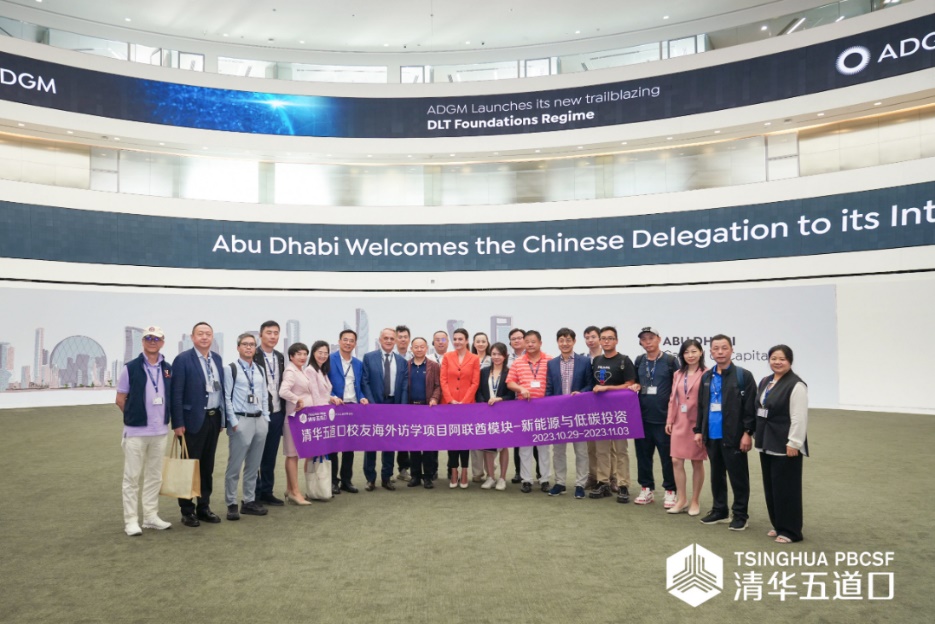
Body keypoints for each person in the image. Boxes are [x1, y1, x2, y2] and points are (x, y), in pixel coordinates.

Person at [694, 334, 757, 531]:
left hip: (734, 436)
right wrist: (699, 431)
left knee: (738, 477)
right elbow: (702, 406)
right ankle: (719, 510)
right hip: (712, 435)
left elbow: (750, 407)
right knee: (717, 475)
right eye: (716, 349)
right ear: (710, 352)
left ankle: (740, 515)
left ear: (731, 350)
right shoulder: (707, 377)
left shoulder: (743, 376)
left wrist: (747, 432)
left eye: (724, 348)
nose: (720, 352)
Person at [115, 325, 173, 536]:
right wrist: (135, 415)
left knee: (154, 476)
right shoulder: (130, 368)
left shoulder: (168, 369)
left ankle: (150, 516)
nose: (152, 342)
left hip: (160, 432)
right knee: (132, 477)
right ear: (143, 341)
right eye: (148, 338)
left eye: (156, 339)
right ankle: (131, 521)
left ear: (162, 342)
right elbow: (120, 399)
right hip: (136, 432)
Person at [170, 322, 227, 527]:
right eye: (200, 334)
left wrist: (222, 419)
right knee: (188, 467)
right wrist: (177, 423)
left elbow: (221, 391)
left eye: (208, 334)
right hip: (191, 421)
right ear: (192, 337)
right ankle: (187, 510)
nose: (204, 337)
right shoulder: (183, 359)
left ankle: (204, 507)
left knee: (207, 466)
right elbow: (176, 393)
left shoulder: (217, 359)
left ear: (212, 338)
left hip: (213, 419)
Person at [755, 345, 809, 543]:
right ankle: (778, 525)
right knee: (772, 487)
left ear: (790, 361)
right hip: (766, 442)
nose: (777, 362)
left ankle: (791, 531)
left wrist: (794, 442)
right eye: (773, 358)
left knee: (787, 489)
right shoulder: (766, 381)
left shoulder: (796, 385)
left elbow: (799, 417)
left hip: (785, 444)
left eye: (782, 359)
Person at [222, 333, 270, 521]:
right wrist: (233, 422)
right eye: (245, 344)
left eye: (251, 344)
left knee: (253, 465)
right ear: (238, 347)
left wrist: (266, 417)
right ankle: (231, 503)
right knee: (234, 466)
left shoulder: (260, 369)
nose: (249, 347)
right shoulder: (230, 369)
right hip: (241, 420)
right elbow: (226, 397)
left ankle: (249, 501)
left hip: (259, 420)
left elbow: (264, 395)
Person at [632, 327, 680, 508]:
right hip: (642, 418)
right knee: (643, 456)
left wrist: (673, 418)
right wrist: (635, 385)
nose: (647, 342)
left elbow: (678, 388)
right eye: (644, 339)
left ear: (659, 339)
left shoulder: (670, 361)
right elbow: (635, 382)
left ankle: (670, 491)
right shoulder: (639, 361)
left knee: (667, 458)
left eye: (651, 338)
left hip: (664, 420)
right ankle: (646, 488)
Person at [589, 326, 637, 503]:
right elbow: (593, 385)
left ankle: (623, 484)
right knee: (601, 450)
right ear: (600, 341)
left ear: (616, 340)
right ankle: (603, 482)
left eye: (610, 338)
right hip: (600, 412)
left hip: (619, 413)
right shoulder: (596, 360)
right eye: (603, 338)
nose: (606, 341)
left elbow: (630, 384)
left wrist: (607, 388)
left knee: (621, 450)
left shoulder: (624, 360)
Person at [545, 328, 594, 499]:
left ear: (574, 341)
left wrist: (581, 393)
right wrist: (551, 406)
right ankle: (560, 483)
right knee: (558, 451)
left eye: (568, 340)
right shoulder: (551, 363)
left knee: (581, 451)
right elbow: (549, 388)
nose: (564, 343)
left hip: (579, 414)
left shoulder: (585, 361)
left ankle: (580, 484)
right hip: (559, 415)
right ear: (557, 342)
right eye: (561, 340)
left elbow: (590, 385)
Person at [361, 328, 409, 491]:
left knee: (389, 443)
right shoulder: (369, 358)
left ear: (395, 341)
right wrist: (372, 405)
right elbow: (365, 382)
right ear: (380, 340)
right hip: (374, 405)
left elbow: (404, 386)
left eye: (391, 338)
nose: (388, 341)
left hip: (393, 406)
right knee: (371, 443)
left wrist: (402, 408)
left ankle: (386, 477)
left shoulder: (401, 361)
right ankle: (370, 479)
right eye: (385, 338)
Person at [506, 330, 553, 494]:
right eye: (527, 342)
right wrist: (520, 388)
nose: (530, 344)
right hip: (524, 409)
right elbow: (510, 382)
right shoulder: (518, 362)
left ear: (540, 343)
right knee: (524, 447)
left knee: (543, 447)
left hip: (545, 410)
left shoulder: (550, 360)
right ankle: (526, 480)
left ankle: (545, 479)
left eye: (533, 341)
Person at [665, 339, 708, 516]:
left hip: (697, 422)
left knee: (697, 461)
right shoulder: (678, 373)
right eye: (686, 352)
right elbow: (672, 398)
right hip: (679, 421)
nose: (690, 355)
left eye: (694, 351)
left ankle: (695, 500)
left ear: (701, 352)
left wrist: (702, 426)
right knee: (676, 460)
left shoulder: (707, 373)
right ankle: (681, 499)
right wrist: (670, 419)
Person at [441, 328, 481, 489]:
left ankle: (464, 471)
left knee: (464, 440)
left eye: (460, 339)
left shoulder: (474, 358)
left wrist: (464, 402)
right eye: (455, 339)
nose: (457, 342)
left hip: (467, 406)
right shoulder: (447, 357)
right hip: (449, 406)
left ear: (466, 340)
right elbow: (443, 380)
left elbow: (475, 382)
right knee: (452, 440)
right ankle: (453, 471)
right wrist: (450, 400)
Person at [328, 329, 366, 494]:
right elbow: (323, 382)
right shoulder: (329, 359)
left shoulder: (358, 363)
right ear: (339, 341)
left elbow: (361, 386)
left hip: (353, 407)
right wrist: (332, 396)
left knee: (349, 446)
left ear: (355, 344)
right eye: (345, 340)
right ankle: (332, 481)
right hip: (336, 407)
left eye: (351, 341)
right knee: (333, 445)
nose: (348, 343)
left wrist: (362, 397)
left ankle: (346, 480)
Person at [254, 320, 286, 507]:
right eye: (269, 333)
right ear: (260, 335)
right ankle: (254, 494)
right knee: (255, 456)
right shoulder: (253, 354)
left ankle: (267, 491)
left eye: (276, 333)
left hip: (277, 412)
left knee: (270, 455)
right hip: (259, 413)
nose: (273, 336)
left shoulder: (280, 357)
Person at [277, 343, 314, 506]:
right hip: (293, 418)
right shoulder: (291, 371)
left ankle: (290, 489)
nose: (303, 357)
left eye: (305, 354)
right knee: (292, 455)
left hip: (303, 418)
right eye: (299, 354)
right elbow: (283, 391)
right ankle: (295, 492)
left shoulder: (302, 371)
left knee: (296, 454)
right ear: (291, 356)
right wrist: (297, 399)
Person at [306, 340, 343, 498]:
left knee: (323, 453)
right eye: (319, 352)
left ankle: (322, 488)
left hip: (326, 416)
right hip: (318, 417)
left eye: (325, 353)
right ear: (313, 353)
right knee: (316, 455)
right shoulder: (310, 370)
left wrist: (333, 398)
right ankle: (315, 490)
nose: (322, 355)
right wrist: (320, 416)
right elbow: (315, 396)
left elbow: (325, 393)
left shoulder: (322, 371)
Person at [476, 342, 513, 491]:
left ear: (505, 356)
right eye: (494, 354)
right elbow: (478, 391)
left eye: (499, 354)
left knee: (503, 447)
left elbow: (511, 395)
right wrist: (483, 404)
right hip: (486, 413)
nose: (496, 357)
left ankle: (502, 478)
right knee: (487, 447)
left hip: (503, 413)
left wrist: (500, 399)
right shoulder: (484, 371)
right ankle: (490, 477)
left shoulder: (510, 372)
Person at [406, 337, 441, 489]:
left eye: (422, 346)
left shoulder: (434, 366)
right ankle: (415, 476)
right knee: (413, 444)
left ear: (427, 348)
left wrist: (434, 398)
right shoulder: (406, 365)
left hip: (428, 409)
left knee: (428, 444)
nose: (419, 349)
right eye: (416, 347)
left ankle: (428, 476)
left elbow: (438, 386)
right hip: (411, 410)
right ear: (411, 349)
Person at [506, 327, 539, 484]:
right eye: (514, 339)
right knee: (519, 439)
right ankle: (519, 472)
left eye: (520, 338)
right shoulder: (506, 359)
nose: (517, 341)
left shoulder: (536, 357)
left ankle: (540, 473)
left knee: (537, 440)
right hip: (514, 404)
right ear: (510, 342)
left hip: (534, 403)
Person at [581, 325, 604, 490]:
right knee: (591, 446)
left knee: (609, 446)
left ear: (600, 338)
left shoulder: (609, 357)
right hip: (589, 407)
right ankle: (593, 476)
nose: (590, 340)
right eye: (587, 337)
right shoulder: (583, 359)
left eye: (593, 337)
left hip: (608, 406)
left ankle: (611, 477)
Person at [470, 331, 492, 482]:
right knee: (475, 437)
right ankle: (477, 473)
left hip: (490, 402)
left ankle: (491, 471)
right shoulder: (469, 358)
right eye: (478, 341)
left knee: (490, 437)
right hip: (472, 402)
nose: (481, 344)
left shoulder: (493, 359)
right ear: (473, 343)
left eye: (483, 341)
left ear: (487, 343)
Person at [394, 325, 413, 482]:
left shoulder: (416, 355)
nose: (402, 340)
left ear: (409, 339)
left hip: (415, 402)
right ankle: (401, 469)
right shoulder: (390, 357)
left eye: (405, 337)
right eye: (399, 337)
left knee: (414, 435)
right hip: (395, 402)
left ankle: (416, 469)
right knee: (399, 435)